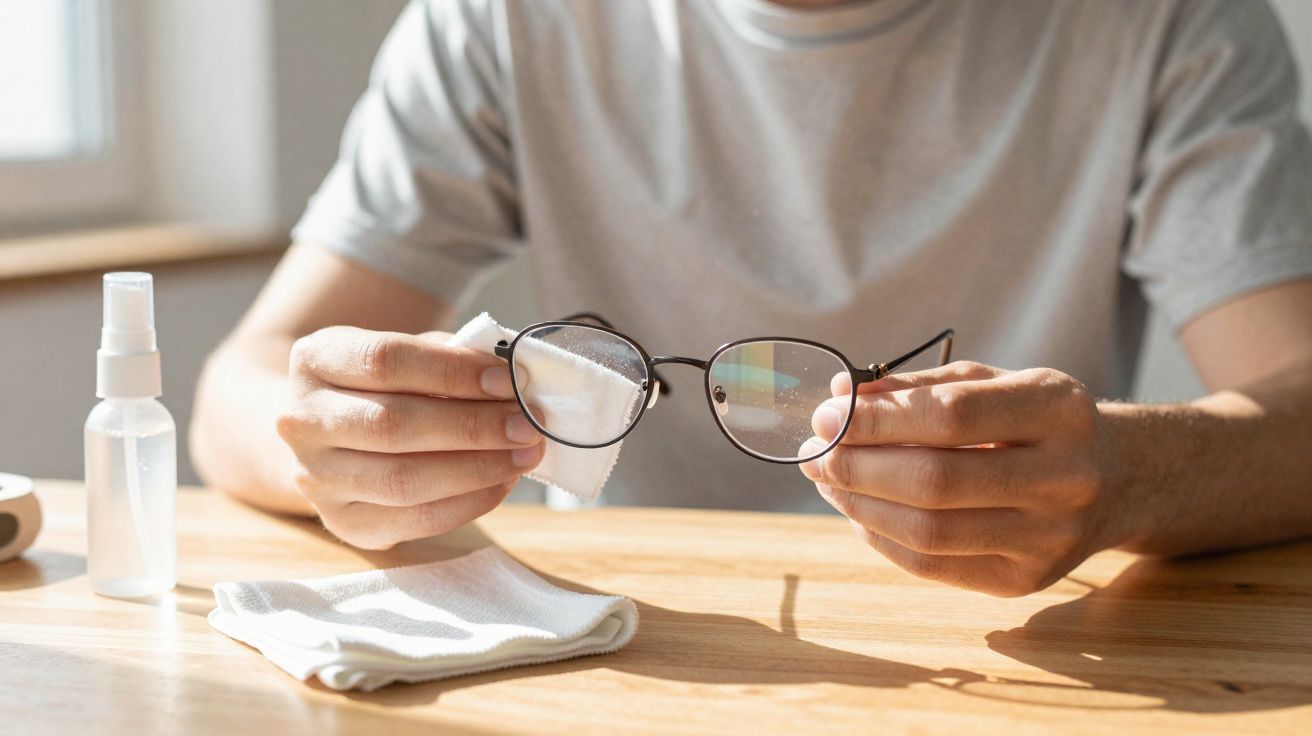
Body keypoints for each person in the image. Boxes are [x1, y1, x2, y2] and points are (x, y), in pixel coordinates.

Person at [192, 0, 1312, 597]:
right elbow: (242, 389)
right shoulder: (501, 20)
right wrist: (332, 444)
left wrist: (1120, 479)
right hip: (629, 636)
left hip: (1007, 636)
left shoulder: (1167, 19)